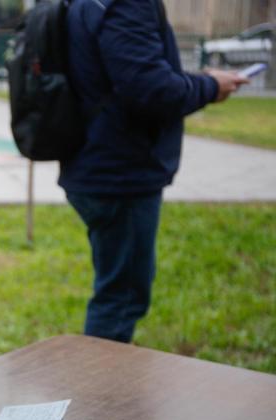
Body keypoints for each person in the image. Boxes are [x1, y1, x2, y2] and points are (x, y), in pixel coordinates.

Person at [61, 0, 248, 342]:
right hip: (121, 174)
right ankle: (104, 391)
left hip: (95, 164)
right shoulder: (127, 3)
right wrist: (210, 86)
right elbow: (151, 90)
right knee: (120, 300)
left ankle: (103, 383)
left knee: (116, 292)